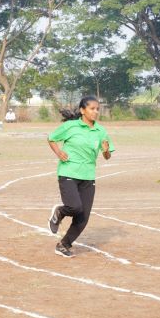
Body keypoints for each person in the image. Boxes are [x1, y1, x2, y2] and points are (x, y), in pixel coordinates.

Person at [47, 96, 114, 258]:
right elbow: (51, 138)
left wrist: (105, 151)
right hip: (68, 172)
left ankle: (64, 244)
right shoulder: (71, 126)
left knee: (83, 217)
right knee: (75, 207)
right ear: (82, 110)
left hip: (88, 177)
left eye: (97, 109)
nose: (96, 112)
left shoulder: (101, 131)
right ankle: (59, 212)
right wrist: (59, 152)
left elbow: (107, 156)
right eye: (92, 108)